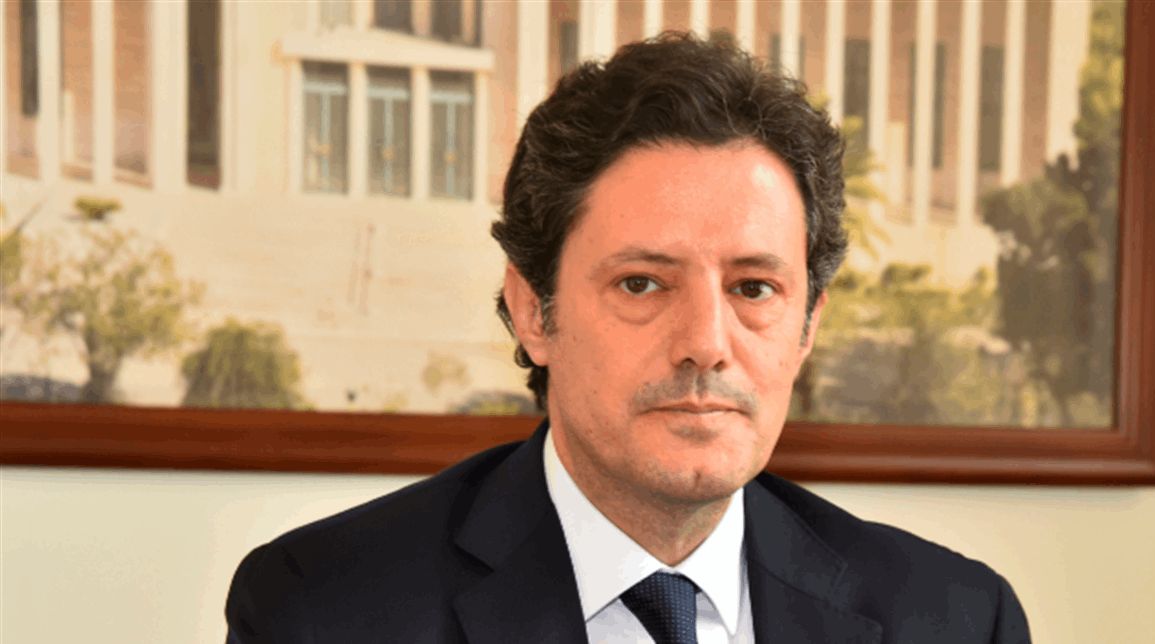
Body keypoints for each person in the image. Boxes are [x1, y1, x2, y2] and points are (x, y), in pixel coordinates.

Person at [225, 33, 1030, 644]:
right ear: (534, 310)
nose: (706, 343)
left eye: (754, 288)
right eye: (642, 283)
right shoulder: (322, 611)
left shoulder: (958, 620)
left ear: (809, 324)